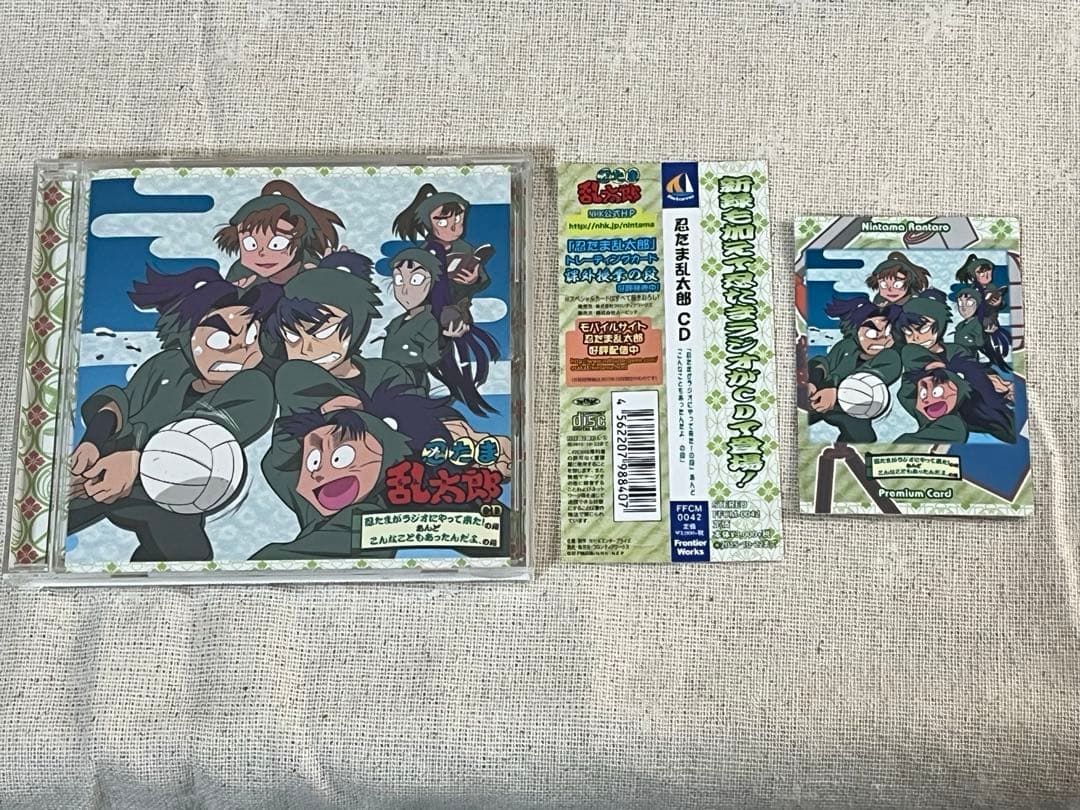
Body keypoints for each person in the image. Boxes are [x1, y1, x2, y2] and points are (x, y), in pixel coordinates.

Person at [68, 266, 276, 561]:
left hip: (172, 490)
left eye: (252, 336)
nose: (240, 350)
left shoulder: (255, 386)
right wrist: (94, 440)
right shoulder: (167, 365)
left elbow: (202, 433)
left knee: (185, 554)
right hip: (106, 465)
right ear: (187, 334)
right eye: (220, 339)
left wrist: (135, 462)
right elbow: (122, 402)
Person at [806, 294, 904, 443]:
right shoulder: (847, 346)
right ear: (856, 330)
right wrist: (813, 380)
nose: (882, 339)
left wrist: (836, 392)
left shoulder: (891, 357)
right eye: (872, 332)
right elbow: (825, 362)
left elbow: (868, 378)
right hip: (819, 397)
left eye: (888, 332)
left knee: (862, 438)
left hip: (853, 410)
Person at [215, 180, 344, 288]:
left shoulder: (313, 270)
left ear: (300, 240)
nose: (262, 253)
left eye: (276, 244)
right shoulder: (240, 273)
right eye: (250, 244)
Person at [865, 252, 931, 306]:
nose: (890, 290)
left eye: (897, 285)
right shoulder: (878, 302)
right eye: (884, 285)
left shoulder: (916, 304)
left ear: (909, 282)